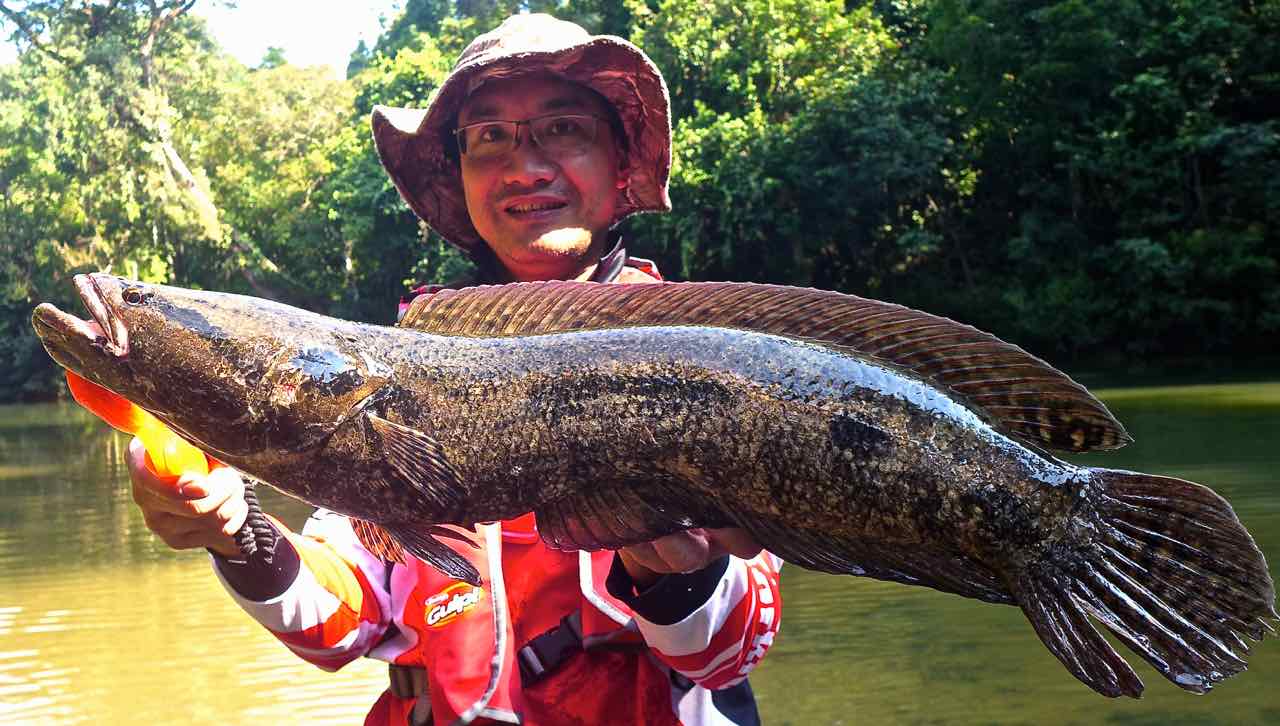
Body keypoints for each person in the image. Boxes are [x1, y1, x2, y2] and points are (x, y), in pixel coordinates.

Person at [128, 14, 782, 726]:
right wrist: (237, 532)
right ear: (460, 176)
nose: (526, 166)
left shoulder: (704, 356)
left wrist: (677, 575)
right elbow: (342, 620)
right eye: (489, 137)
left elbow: (729, 653)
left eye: (563, 127)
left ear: (621, 162)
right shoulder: (390, 368)